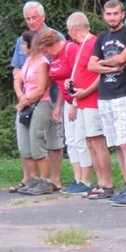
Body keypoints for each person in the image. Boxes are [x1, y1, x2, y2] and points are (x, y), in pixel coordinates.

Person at [88, 0, 126, 206]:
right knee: (117, 144)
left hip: (123, 94)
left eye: (116, 13)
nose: (112, 17)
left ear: (122, 14)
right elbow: (91, 66)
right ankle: (125, 187)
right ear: (104, 15)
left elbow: (122, 58)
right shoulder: (102, 37)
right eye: (109, 14)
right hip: (105, 95)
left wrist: (103, 62)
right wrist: (109, 67)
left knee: (125, 143)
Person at [9, 1, 65, 192]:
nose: (31, 22)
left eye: (34, 17)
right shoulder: (23, 40)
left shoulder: (55, 37)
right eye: (28, 18)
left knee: (53, 139)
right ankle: (29, 178)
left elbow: (58, 69)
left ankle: (54, 179)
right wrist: (21, 94)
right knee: (27, 140)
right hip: (28, 96)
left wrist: (34, 94)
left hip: (51, 96)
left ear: (43, 17)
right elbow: (17, 68)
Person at [37, 27, 93, 194]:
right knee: (70, 141)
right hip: (67, 101)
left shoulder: (70, 50)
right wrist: (59, 105)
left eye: (46, 50)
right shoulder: (55, 57)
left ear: (53, 43)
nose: (46, 54)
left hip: (79, 99)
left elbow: (79, 76)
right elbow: (62, 82)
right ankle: (77, 178)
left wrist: (75, 103)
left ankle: (86, 180)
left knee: (80, 140)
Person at [62, 12, 111, 199]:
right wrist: (71, 83)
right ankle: (99, 182)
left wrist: (86, 91)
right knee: (89, 143)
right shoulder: (81, 45)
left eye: (69, 30)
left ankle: (107, 183)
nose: (69, 34)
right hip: (81, 101)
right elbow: (81, 71)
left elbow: (101, 73)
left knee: (97, 142)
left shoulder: (93, 43)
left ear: (74, 28)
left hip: (92, 100)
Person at [13, 31, 56, 195]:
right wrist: (21, 96)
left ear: (33, 45)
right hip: (26, 104)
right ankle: (32, 179)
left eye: (25, 43)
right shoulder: (28, 60)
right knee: (25, 147)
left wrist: (25, 101)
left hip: (40, 104)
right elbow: (18, 79)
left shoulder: (43, 63)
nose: (22, 47)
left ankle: (45, 181)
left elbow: (41, 88)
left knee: (37, 144)